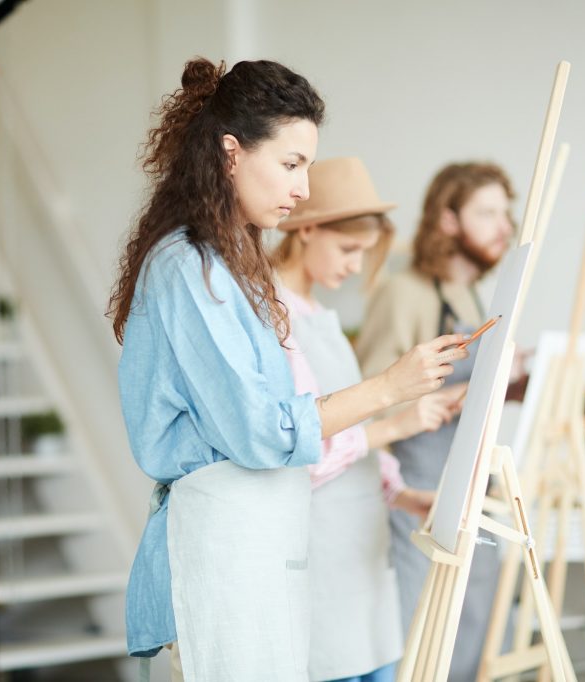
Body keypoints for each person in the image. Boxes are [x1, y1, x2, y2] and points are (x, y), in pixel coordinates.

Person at [108, 58, 469, 681]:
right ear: (230, 154)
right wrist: (389, 388)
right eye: (291, 164)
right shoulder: (187, 267)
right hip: (226, 546)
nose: (303, 188)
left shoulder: (225, 265)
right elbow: (264, 432)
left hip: (259, 542)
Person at [272, 157, 462, 682]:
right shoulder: (270, 315)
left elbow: (354, 442)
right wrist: (398, 424)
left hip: (364, 556)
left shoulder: (324, 318)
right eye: (349, 249)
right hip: (321, 558)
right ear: (307, 228)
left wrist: (402, 495)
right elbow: (299, 451)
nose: (356, 267)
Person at [355, 162, 517, 681]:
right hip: (417, 494)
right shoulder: (405, 293)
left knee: (472, 636)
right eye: (487, 212)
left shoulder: (474, 298)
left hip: (468, 486)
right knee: (420, 644)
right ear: (447, 220)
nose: (504, 226)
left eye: (505, 212)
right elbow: (368, 400)